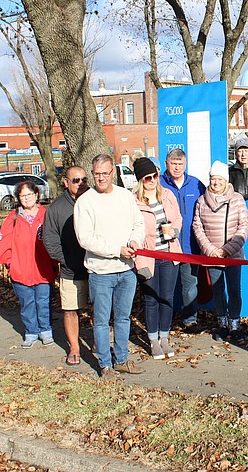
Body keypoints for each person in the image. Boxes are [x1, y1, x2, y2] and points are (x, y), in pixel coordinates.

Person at [74, 153, 146, 380]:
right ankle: (105, 365)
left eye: (105, 174)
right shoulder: (85, 202)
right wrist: (117, 250)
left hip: (126, 270)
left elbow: (139, 223)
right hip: (101, 272)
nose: (101, 178)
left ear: (112, 173)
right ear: (92, 173)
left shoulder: (125, 196)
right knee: (102, 320)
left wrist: (135, 240)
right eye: (97, 174)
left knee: (124, 318)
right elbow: (86, 239)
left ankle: (122, 359)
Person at [192, 161, 248, 343]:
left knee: (234, 291)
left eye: (219, 179)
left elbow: (244, 225)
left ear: (225, 180)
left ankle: (235, 325)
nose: (215, 182)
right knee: (217, 291)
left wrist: (227, 250)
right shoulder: (202, 201)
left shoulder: (237, 199)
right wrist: (210, 250)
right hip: (212, 256)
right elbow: (197, 226)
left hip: (233, 255)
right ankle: (222, 324)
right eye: (212, 179)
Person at [132, 157, 183, 360]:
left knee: (167, 297)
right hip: (147, 256)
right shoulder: (133, 201)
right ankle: (153, 340)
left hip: (169, 254)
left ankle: (164, 337)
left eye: (154, 175)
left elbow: (177, 217)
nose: (152, 180)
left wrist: (175, 230)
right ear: (140, 180)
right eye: (147, 178)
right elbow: (131, 229)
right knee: (151, 299)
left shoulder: (168, 194)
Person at [0, 181, 56, 349]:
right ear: (18, 198)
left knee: (43, 301)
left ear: (37, 195)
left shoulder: (46, 214)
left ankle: (46, 330)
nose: (27, 198)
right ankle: (31, 332)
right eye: (23, 195)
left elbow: (54, 240)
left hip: (43, 269)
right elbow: (3, 242)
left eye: (30, 194)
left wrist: (54, 262)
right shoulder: (13, 217)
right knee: (27, 303)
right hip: (20, 270)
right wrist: (9, 262)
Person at [42, 166, 89, 366]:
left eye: (84, 179)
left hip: (96, 267)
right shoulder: (56, 208)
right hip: (71, 269)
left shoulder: (95, 200)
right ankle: (75, 348)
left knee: (99, 309)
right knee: (71, 310)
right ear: (66, 182)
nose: (81, 184)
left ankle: (98, 343)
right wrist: (66, 259)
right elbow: (50, 241)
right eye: (76, 180)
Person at [160, 148, 206, 333]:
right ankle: (165, 321)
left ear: (185, 164)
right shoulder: (158, 184)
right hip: (165, 246)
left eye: (180, 164)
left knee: (189, 285)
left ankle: (189, 320)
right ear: (166, 164)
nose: (177, 167)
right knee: (166, 287)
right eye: (173, 164)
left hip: (190, 245)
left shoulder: (195, 184)